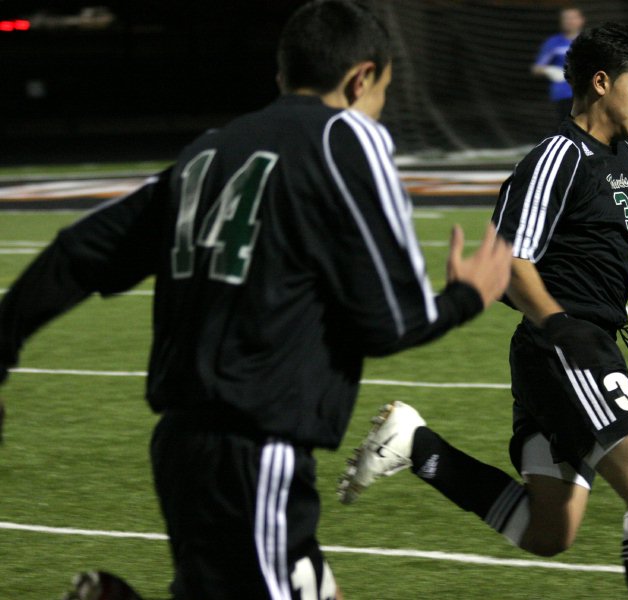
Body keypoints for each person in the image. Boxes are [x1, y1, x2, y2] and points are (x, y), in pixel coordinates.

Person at [0, 1, 512, 599]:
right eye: (382, 94)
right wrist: (466, 297)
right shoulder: (344, 135)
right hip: (258, 447)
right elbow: (392, 322)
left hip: (182, 446)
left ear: (281, 75)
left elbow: (76, 254)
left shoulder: (209, 150)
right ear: (362, 79)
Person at [340, 23, 628, 600]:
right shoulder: (559, 156)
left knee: (550, 530)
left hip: (568, 349)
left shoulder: (626, 163)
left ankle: (418, 446)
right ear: (602, 83)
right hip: (567, 349)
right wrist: (561, 327)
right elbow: (510, 262)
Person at [532, 6, 585, 124]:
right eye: (566, 18)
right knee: (568, 127)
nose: (569, 21)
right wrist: (549, 70)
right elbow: (536, 68)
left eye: (573, 18)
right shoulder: (553, 43)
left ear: (581, 20)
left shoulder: (589, 40)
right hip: (563, 94)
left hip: (587, 92)